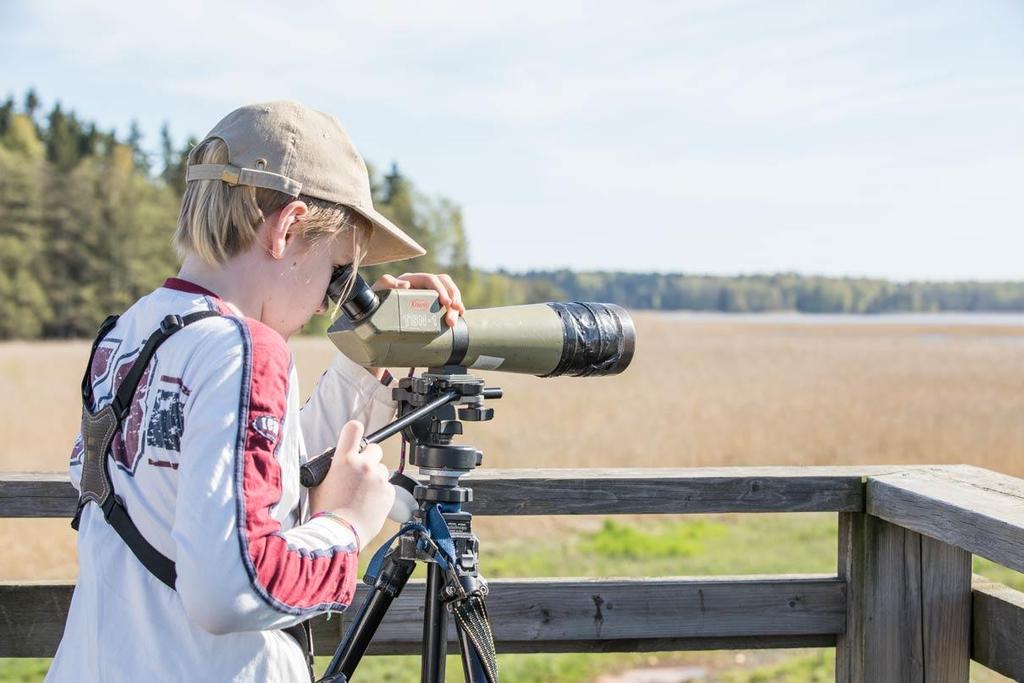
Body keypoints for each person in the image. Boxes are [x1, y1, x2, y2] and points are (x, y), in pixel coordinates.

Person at [45, 101, 465, 682]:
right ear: (288, 228)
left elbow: (251, 485)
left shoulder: (129, 333)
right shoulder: (246, 349)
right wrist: (347, 523)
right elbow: (230, 588)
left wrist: (371, 358)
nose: (330, 301)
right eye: (336, 270)